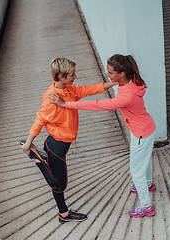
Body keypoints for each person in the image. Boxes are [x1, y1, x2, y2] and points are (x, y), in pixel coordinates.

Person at [49, 54, 156, 218]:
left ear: (121, 74)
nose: (108, 75)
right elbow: (126, 100)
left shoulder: (126, 95)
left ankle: (146, 207)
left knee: (136, 171)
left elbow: (97, 104)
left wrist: (66, 104)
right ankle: (148, 184)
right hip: (143, 129)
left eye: (110, 72)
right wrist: (119, 104)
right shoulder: (131, 82)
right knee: (143, 160)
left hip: (142, 133)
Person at [20, 57, 117, 223]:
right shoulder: (51, 98)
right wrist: (28, 144)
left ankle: (39, 159)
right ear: (60, 77)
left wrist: (116, 83)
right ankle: (63, 214)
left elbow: (88, 90)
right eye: (72, 74)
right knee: (59, 185)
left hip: (60, 145)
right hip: (56, 147)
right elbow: (39, 120)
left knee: (59, 182)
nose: (75, 77)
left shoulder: (69, 89)